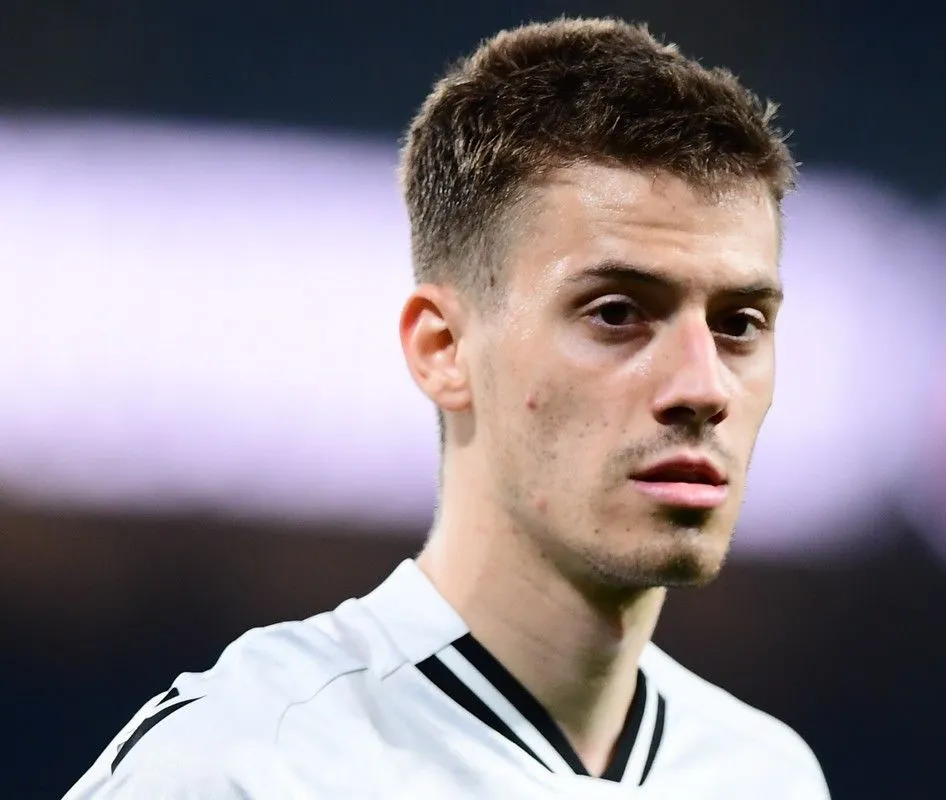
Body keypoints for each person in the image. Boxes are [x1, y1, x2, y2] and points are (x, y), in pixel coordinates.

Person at [66, 17, 829, 798]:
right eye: (616, 313)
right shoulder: (248, 763)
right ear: (443, 348)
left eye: (739, 325)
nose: (702, 387)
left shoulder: (768, 776)